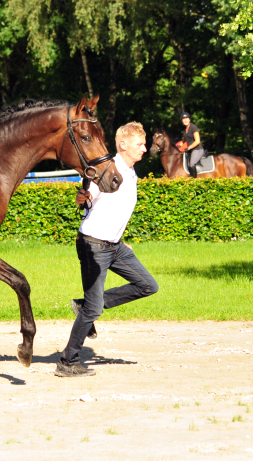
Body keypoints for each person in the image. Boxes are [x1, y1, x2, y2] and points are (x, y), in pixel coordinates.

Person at [55, 122, 159, 378]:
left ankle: (84, 306)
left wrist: (120, 238)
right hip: (94, 245)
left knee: (147, 285)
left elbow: (117, 209)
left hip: (115, 246)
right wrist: (83, 197)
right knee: (94, 308)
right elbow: (85, 197)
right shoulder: (105, 170)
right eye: (140, 144)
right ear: (122, 145)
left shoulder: (132, 172)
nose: (144, 149)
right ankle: (68, 362)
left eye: (144, 144)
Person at [180, 112, 204, 178]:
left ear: (189, 119)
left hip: (197, 149)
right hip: (190, 150)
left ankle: (194, 179)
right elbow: (185, 138)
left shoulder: (194, 127)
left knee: (191, 164)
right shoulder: (184, 129)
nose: (185, 120)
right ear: (181, 121)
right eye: (183, 119)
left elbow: (197, 141)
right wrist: (179, 145)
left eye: (186, 118)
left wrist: (189, 147)